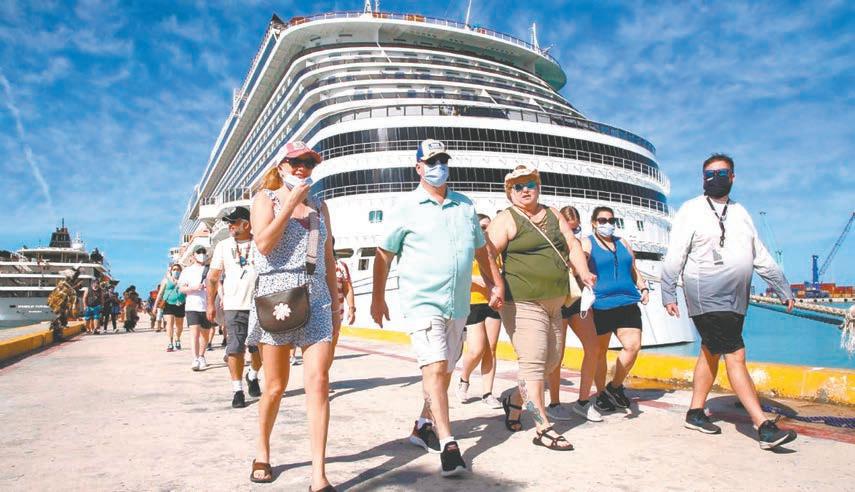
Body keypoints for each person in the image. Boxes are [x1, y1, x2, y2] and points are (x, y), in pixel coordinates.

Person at [372, 139, 503, 476]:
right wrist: (377, 297)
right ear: (418, 167)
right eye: (431, 162)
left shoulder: (464, 205)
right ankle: (449, 444)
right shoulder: (405, 207)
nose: (439, 167)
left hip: (457, 304)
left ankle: (422, 426)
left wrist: (495, 283)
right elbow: (383, 254)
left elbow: (480, 250)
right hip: (422, 300)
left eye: (443, 160)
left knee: (443, 372)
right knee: (435, 367)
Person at [661, 153, 797, 450]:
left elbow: (759, 254)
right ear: (703, 179)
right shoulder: (691, 210)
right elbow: (676, 253)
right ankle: (762, 426)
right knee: (735, 354)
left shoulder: (741, 213)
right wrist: (668, 291)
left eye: (721, 173)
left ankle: (695, 412)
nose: (715, 178)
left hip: (736, 299)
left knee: (710, 351)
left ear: (732, 177)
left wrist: (782, 287)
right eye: (709, 174)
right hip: (706, 295)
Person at [246, 141, 340, 489]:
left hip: (317, 298)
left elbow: (328, 258)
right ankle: (262, 450)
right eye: (296, 161)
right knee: (275, 386)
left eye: (309, 163)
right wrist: (288, 204)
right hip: (277, 298)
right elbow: (263, 244)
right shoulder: (265, 199)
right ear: (281, 166)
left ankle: (319, 474)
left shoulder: (320, 206)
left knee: (319, 382)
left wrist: (336, 306)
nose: (303, 168)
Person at [485, 164, 595, 451]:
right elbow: (487, 253)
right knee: (533, 363)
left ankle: (514, 399)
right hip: (522, 302)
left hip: (556, 302)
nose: (525, 190)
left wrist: (584, 272)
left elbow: (572, 244)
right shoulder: (506, 219)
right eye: (518, 186)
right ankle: (542, 426)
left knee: (552, 361)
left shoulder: (552, 213)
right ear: (509, 192)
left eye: (530, 184)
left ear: (538, 186)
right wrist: (495, 285)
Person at [580, 206, 649, 413]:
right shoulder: (587, 243)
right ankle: (601, 393)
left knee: (633, 346)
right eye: (602, 220)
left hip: (628, 302)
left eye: (611, 220)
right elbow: (579, 266)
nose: (607, 224)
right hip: (600, 305)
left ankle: (615, 386)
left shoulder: (623, 243)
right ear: (594, 223)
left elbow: (633, 269)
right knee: (600, 352)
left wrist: (643, 287)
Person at [545, 205, 604, 422]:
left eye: (576, 229)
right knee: (557, 354)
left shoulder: (577, 245)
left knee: (593, 347)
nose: (572, 233)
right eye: (569, 229)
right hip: (557, 299)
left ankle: (583, 401)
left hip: (577, 299)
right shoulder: (549, 243)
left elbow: (582, 268)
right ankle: (554, 403)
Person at [206, 206, 263, 409]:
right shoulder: (223, 246)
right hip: (234, 305)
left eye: (233, 222)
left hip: (260, 304)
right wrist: (210, 304)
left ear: (246, 224)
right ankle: (237, 390)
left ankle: (252, 374)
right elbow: (213, 278)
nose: (229, 225)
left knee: (260, 349)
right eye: (229, 222)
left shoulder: (261, 242)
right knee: (235, 347)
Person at [455, 213, 503, 409]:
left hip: (493, 302)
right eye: (482, 227)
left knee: (491, 349)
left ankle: (488, 393)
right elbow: (457, 273)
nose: (486, 231)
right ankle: (464, 378)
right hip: (473, 302)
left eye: (488, 227)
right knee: (476, 349)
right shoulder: (467, 248)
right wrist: (477, 280)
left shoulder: (495, 250)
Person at [179, 245, 213, 371]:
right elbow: (182, 288)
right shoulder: (187, 271)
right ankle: (195, 358)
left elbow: (218, 284)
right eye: (199, 252)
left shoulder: (210, 270)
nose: (201, 254)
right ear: (193, 255)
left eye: (203, 252)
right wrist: (194, 288)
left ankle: (202, 356)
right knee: (194, 333)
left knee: (205, 334)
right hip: (192, 306)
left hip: (207, 305)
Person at [154, 264, 186, 352]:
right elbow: (160, 293)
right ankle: (170, 343)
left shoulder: (183, 280)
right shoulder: (165, 280)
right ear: (171, 271)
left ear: (181, 271)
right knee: (169, 324)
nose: (176, 271)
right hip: (168, 304)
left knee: (179, 325)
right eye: (174, 269)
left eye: (178, 269)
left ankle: (177, 339)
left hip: (180, 304)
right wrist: (155, 306)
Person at [332, 237, 355, 350]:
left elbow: (347, 288)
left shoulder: (341, 266)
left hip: (336, 314)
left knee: (331, 346)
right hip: (315, 315)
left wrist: (352, 308)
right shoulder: (312, 264)